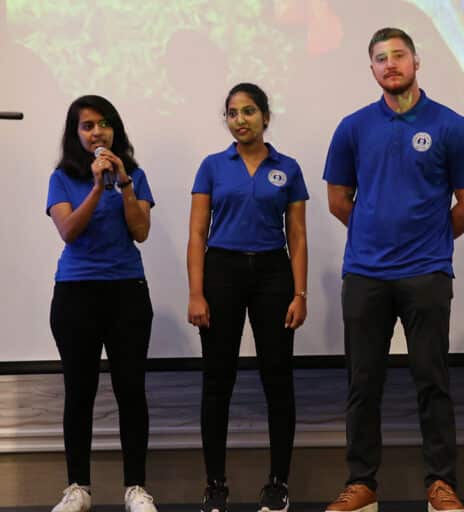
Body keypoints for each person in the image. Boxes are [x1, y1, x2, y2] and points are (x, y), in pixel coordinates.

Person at [322, 27, 464, 512]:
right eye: (380, 58)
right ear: (371, 69)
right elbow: (337, 200)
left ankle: (440, 485)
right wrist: (378, 232)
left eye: (398, 56)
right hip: (366, 275)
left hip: (427, 273)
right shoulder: (353, 127)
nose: (390, 64)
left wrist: (427, 238)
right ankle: (362, 485)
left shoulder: (451, 125)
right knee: (362, 382)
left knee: (431, 380)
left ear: (416, 62)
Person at [187, 82, 309, 512]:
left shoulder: (288, 168)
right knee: (217, 380)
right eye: (233, 113)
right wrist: (196, 293)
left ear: (266, 118)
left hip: (274, 273)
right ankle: (215, 485)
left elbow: (296, 235)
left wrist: (300, 293)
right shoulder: (212, 166)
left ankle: (278, 484)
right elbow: (198, 233)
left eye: (249, 111)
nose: (240, 120)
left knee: (278, 379)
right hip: (222, 271)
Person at [46, 95, 158, 512]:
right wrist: (96, 188)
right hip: (76, 293)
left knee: (131, 390)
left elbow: (141, 231)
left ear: (116, 129)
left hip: (127, 291)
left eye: (104, 124)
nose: (98, 132)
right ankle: (78, 488)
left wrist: (123, 183)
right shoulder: (62, 178)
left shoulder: (135, 176)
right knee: (80, 391)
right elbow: (69, 231)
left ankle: (136, 488)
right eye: (88, 125)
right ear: (76, 134)